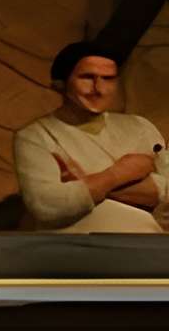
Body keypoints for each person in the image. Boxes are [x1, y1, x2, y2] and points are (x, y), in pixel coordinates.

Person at [13, 39, 169, 233]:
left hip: (149, 242)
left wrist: (86, 183)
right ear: (60, 84)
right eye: (87, 77)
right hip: (77, 246)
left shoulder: (140, 127)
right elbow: (47, 206)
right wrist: (117, 174)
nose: (99, 89)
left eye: (108, 78)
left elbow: (166, 192)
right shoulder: (35, 137)